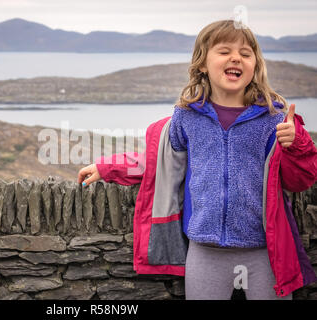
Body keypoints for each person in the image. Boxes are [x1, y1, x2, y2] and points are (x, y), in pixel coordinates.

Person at [77, 19, 317, 300]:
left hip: (263, 251)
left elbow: (300, 180)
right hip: (204, 251)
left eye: (245, 53)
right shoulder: (186, 117)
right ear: (202, 64)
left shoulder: (274, 120)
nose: (236, 58)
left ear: (255, 65)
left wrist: (297, 144)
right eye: (224, 51)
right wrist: (109, 168)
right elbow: (159, 161)